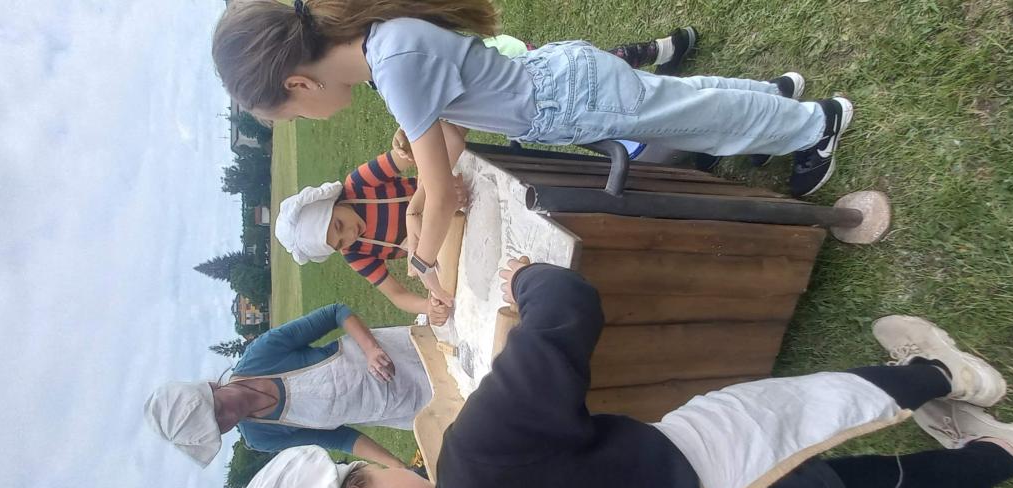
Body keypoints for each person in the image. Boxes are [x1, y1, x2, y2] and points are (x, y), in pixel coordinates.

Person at [229, 263, 1013, 488]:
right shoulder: (473, 464)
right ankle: (950, 374)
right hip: (723, 465)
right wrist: (525, 280)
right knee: (834, 404)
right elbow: (570, 312)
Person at [211, 0, 854, 306]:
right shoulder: (384, 57)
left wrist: (424, 258)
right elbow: (450, 141)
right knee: (680, 106)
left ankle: (813, 126)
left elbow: (442, 185)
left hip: (573, 99)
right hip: (564, 90)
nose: (305, 119)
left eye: (291, 114)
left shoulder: (394, 65)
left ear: (298, 84)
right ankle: (775, 99)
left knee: (692, 117)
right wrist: (415, 212)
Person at [272, 29, 700, 325]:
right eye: (340, 242)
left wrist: (428, 198)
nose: (349, 236)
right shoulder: (358, 254)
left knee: (602, 89)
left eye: (340, 226)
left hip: (518, 101)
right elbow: (400, 291)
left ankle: (654, 55)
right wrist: (429, 301)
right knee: (611, 109)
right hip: (461, 200)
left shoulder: (360, 182)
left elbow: (415, 158)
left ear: (335, 202)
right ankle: (665, 146)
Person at [142, 303, 431, 469]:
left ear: (211, 387)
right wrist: (398, 467)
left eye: (217, 409)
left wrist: (370, 350)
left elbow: (336, 312)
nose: (228, 417)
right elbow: (339, 438)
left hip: (401, 354)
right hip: (402, 409)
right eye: (220, 427)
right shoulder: (260, 437)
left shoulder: (261, 355)